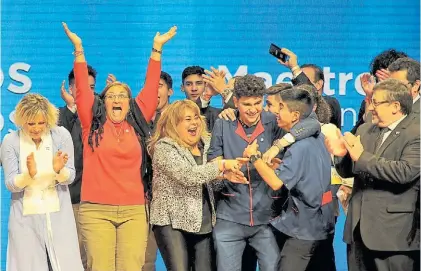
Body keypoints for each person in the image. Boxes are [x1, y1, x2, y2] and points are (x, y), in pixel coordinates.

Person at [62, 22, 176, 271]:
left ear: (130, 103)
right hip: (96, 211)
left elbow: (150, 85)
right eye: (111, 95)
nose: (116, 99)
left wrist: (157, 49)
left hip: (134, 211)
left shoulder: (137, 122)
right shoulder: (90, 124)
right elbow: (82, 88)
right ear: (103, 102)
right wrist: (78, 49)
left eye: (122, 95)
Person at [208, 75, 320, 271]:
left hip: (267, 219)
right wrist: (226, 169)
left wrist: (277, 147)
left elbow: (313, 123)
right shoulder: (223, 123)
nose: (253, 109)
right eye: (246, 104)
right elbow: (213, 162)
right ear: (235, 102)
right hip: (230, 217)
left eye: (258, 103)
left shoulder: (274, 121)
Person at [327, 79, 420, 271]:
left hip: (393, 235)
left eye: (376, 103)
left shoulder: (415, 133)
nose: (371, 107)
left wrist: (360, 156)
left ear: (395, 106)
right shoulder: (365, 129)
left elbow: (405, 172)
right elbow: (349, 171)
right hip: (357, 230)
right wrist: (342, 156)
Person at [241, 87, 335, 271]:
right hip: (319, 224)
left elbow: (276, 183)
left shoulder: (299, 147)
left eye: (281, 107)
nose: (276, 111)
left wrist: (254, 158)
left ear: (295, 115)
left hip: (303, 229)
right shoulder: (316, 136)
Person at [148, 99, 246, 271]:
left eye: (196, 117)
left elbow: (209, 185)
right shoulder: (165, 147)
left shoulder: (207, 144)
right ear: (174, 123)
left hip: (204, 223)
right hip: (172, 223)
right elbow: (188, 176)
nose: (194, 122)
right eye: (187, 119)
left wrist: (224, 177)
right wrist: (221, 165)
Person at [1, 93, 82, 271]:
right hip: (25, 220)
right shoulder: (10, 141)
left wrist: (58, 171)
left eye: (41, 123)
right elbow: (10, 183)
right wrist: (29, 175)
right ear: (22, 120)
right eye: (31, 123)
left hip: (59, 217)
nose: (37, 128)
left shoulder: (61, 135)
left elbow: (70, 176)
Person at [58, 64, 100, 270]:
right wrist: (73, 109)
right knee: (72, 259)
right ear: (72, 89)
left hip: (100, 201)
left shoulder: (102, 116)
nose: (88, 92)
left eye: (92, 88)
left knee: (96, 259)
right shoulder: (57, 117)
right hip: (71, 198)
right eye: (82, 87)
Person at [143, 70, 173, 271]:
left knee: (180, 261)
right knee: (144, 261)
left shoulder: (181, 118)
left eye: (159, 86)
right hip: (145, 200)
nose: (154, 91)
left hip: (175, 201)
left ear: (170, 91)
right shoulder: (138, 119)